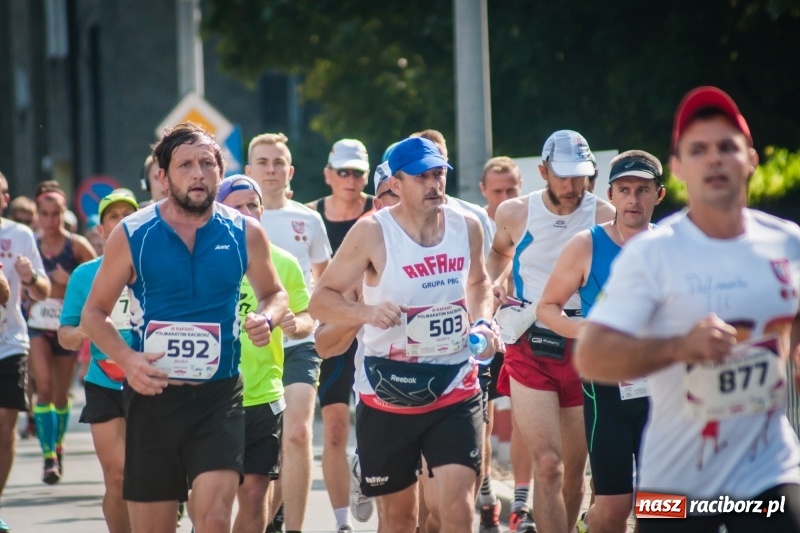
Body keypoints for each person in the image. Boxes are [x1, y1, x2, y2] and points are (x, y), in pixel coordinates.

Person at [577, 86, 800, 532]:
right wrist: (681, 347)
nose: (714, 159)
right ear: (678, 169)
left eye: (727, 147)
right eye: (698, 150)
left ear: (751, 159)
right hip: (675, 487)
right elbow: (591, 355)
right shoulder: (651, 254)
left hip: (768, 474)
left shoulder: (788, 244)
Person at [81, 122, 288, 533]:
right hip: (153, 397)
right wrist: (129, 360)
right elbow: (94, 313)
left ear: (220, 171)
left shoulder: (245, 232)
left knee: (212, 520)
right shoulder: (132, 234)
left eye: (208, 164)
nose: (198, 174)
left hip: (220, 397)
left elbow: (275, 294)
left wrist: (266, 318)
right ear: (162, 176)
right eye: (185, 165)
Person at [309, 136, 502, 532]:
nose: (434, 184)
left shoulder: (466, 226)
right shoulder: (372, 233)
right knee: (400, 519)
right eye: (422, 177)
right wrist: (366, 312)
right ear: (395, 184)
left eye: (438, 174)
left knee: (457, 508)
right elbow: (321, 301)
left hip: (454, 384)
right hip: (388, 391)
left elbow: (479, 282)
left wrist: (482, 321)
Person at [487, 130, 615, 533]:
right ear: (542, 171)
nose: (573, 185)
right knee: (548, 466)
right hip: (531, 344)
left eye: (581, 175)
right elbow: (498, 253)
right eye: (563, 176)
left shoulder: (604, 215)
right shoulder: (514, 212)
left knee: (574, 474)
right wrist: (493, 284)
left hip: (583, 347)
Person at [537, 150, 665, 533]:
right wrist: (584, 330)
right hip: (607, 392)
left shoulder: (673, 246)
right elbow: (547, 307)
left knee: (661, 506)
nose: (633, 199)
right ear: (610, 194)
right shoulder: (586, 244)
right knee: (613, 508)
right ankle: (586, 527)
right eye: (624, 189)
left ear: (659, 194)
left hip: (663, 392)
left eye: (643, 190)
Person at [215, 175, 312, 533]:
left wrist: (290, 323)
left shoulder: (282, 263)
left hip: (264, 393)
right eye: (236, 205)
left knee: (255, 494)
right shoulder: (204, 259)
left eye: (253, 204)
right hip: (213, 394)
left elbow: (306, 318)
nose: (247, 212)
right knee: (214, 497)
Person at [245, 132, 331, 532]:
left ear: (290, 170)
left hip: (297, 342)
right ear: (248, 170)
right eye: (262, 162)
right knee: (256, 452)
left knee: (296, 432)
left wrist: (309, 320)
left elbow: (325, 286)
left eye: (278, 162)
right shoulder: (228, 220)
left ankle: (292, 526)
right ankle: (264, 516)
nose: (271, 170)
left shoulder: (308, 219)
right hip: (249, 347)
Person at [58, 190, 139, 533]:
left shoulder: (154, 270)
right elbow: (64, 334)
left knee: (149, 475)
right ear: (102, 229)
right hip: (104, 379)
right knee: (118, 476)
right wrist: (84, 330)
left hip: (149, 378)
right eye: (112, 216)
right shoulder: (84, 275)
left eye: (127, 215)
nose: (120, 220)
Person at [307, 137, 374, 532]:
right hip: (333, 331)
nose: (350, 180)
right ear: (329, 174)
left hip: (376, 330)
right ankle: (341, 523)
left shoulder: (377, 212)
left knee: (369, 422)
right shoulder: (313, 215)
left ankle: (364, 464)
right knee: (333, 425)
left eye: (358, 173)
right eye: (343, 172)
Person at [28, 180, 96, 484]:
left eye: (56, 213)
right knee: (42, 387)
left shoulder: (77, 245)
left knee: (58, 395)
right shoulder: (31, 244)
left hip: (68, 327)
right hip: (38, 326)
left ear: (64, 213)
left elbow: (99, 277)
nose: (51, 220)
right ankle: (48, 459)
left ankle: (58, 445)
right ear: (37, 215)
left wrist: (68, 280)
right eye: (45, 213)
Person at [0, 171, 51, 533]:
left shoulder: (18, 236)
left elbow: (44, 290)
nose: (2, 199)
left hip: (10, 342)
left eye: (4, 193)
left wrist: (30, 277)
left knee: (5, 431)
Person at [477, 155, 524, 533]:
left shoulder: (532, 221)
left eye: (511, 189)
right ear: (483, 191)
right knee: (483, 421)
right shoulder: (473, 223)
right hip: (482, 335)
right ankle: (488, 493)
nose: (505, 196)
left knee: (525, 417)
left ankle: (521, 504)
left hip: (522, 333)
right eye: (498, 190)